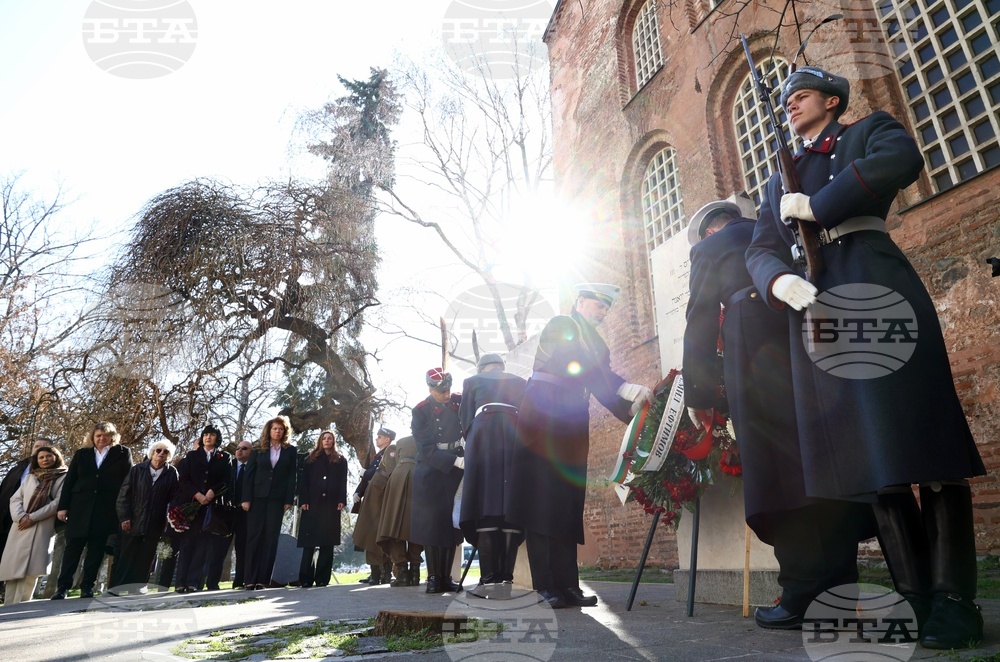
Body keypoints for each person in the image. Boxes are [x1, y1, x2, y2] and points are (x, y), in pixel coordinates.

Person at [746, 66, 986, 649]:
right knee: (872, 461)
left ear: (832, 99)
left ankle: (954, 600)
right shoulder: (779, 181)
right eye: (785, 101)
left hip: (875, 283)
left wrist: (818, 205)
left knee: (924, 445)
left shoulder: (867, 130)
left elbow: (901, 158)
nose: (791, 104)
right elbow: (760, 246)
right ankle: (915, 598)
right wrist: (778, 281)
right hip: (819, 304)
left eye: (800, 94)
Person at [683, 200, 873, 630]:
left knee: (781, 471)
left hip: (755, 353)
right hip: (814, 338)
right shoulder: (778, 228)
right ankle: (843, 588)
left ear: (710, 232)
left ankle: (802, 592)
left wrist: (700, 391)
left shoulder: (711, 249)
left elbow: (699, 316)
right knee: (826, 459)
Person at [507, 284, 653, 608]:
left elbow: (600, 376)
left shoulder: (596, 342)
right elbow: (581, 365)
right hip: (543, 423)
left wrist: (631, 413)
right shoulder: (562, 325)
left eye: (606, 309)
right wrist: (624, 387)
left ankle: (568, 586)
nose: (602, 313)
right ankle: (545, 585)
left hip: (572, 424)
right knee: (542, 504)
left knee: (568, 505)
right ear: (581, 302)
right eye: (598, 306)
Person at [458, 353, 527, 599]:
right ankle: (505, 581)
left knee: (485, 506)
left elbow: (465, 419)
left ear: (482, 369)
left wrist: (476, 439)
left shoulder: (472, 381)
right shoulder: (521, 381)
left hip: (484, 436)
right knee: (511, 506)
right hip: (515, 434)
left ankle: (488, 582)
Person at [53, 421, 133, 599]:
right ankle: (62, 587)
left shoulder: (122, 453)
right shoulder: (82, 454)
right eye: (98, 435)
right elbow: (70, 481)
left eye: (105, 435)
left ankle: (87, 586)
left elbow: (128, 482)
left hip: (105, 509)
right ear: (92, 437)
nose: (101, 438)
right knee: (72, 549)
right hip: (79, 508)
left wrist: (124, 510)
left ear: (112, 437)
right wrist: (63, 507)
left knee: (96, 549)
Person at [410, 368, 464, 594]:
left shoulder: (457, 402)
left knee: (451, 524)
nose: (446, 393)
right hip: (431, 469)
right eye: (441, 390)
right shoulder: (421, 411)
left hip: (454, 469)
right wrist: (455, 461)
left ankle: (446, 577)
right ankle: (433, 577)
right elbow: (425, 447)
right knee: (432, 525)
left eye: (448, 389)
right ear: (430, 389)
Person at [110, 439, 180, 594]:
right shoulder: (137, 469)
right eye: (158, 450)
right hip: (133, 520)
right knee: (125, 555)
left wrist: (170, 518)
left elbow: (174, 498)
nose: (161, 454)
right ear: (152, 452)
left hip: (155, 522)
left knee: (146, 556)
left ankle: (138, 586)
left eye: (165, 452)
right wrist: (124, 517)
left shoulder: (172, 473)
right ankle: (116, 587)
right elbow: (124, 495)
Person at [0, 446, 68, 605]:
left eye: (48, 456)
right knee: (13, 567)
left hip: (42, 526)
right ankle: (8, 605)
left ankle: (22, 604)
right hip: (19, 527)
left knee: (31, 569)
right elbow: (15, 499)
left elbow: (58, 502)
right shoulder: (31, 476)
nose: (45, 459)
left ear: (55, 457)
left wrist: (33, 517)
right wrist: (21, 517)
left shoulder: (63, 476)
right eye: (41, 457)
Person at [172, 425, 231, 593]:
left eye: (212, 435)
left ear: (217, 438)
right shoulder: (192, 456)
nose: (208, 438)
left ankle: (193, 582)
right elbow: (183, 479)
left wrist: (213, 491)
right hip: (191, 505)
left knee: (203, 545)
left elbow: (226, 479)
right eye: (205, 435)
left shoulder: (224, 457)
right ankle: (181, 582)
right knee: (187, 543)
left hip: (210, 508)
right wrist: (197, 494)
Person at [241, 415, 297, 591]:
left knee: (270, 538)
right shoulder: (258, 450)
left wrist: (288, 499)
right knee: (254, 537)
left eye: (281, 429)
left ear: (284, 431)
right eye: (274, 428)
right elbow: (248, 475)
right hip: (256, 498)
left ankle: (262, 580)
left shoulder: (290, 451)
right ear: (269, 430)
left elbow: (291, 476)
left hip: (277, 499)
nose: (277, 431)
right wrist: (246, 498)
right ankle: (249, 579)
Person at [297, 430, 348, 588]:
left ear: (333, 441)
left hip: (331, 504)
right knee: (309, 542)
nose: (327, 441)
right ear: (320, 441)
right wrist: (303, 500)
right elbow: (303, 481)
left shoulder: (340, 460)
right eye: (324, 438)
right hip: (312, 504)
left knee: (327, 542)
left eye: (330, 439)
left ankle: (322, 579)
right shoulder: (310, 459)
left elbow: (342, 482)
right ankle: (305, 578)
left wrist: (341, 499)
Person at [377, 434, 423, 587]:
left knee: (394, 527)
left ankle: (403, 574)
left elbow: (392, 465)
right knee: (416, 526)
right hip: (419, 476)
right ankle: (415, 573)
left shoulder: (400, 443)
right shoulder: (427, 438)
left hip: (398, 477)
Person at [0, 438, 51, 573]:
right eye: (37, 446)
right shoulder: (18, 468)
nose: (39, 449)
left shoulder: (53, 472)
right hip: (5, 516)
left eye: (44, 447)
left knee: (15, 556)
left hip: (29, 518)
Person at [351, 427, 394, 585]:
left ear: (387, 439)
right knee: (369, 535)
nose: (377, 439)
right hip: (371, 497)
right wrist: (358, 492)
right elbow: (368, 476)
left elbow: (378, 474)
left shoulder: (390, 453)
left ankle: (383, 574)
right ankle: (375, 573)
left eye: (380, 437)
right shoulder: (378, 456)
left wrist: (366, 473)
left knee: (378, 536)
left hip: (380, 499)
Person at [229, 440, 252, 588]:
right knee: (219, 547)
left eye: (244, 448)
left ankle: (240, 579)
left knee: (242, 547)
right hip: (227, 512)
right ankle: (210, 582)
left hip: (245, 512)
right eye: (237, 448)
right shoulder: (229, 466)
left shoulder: (253, 468)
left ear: (251, 451)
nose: (239, 451)